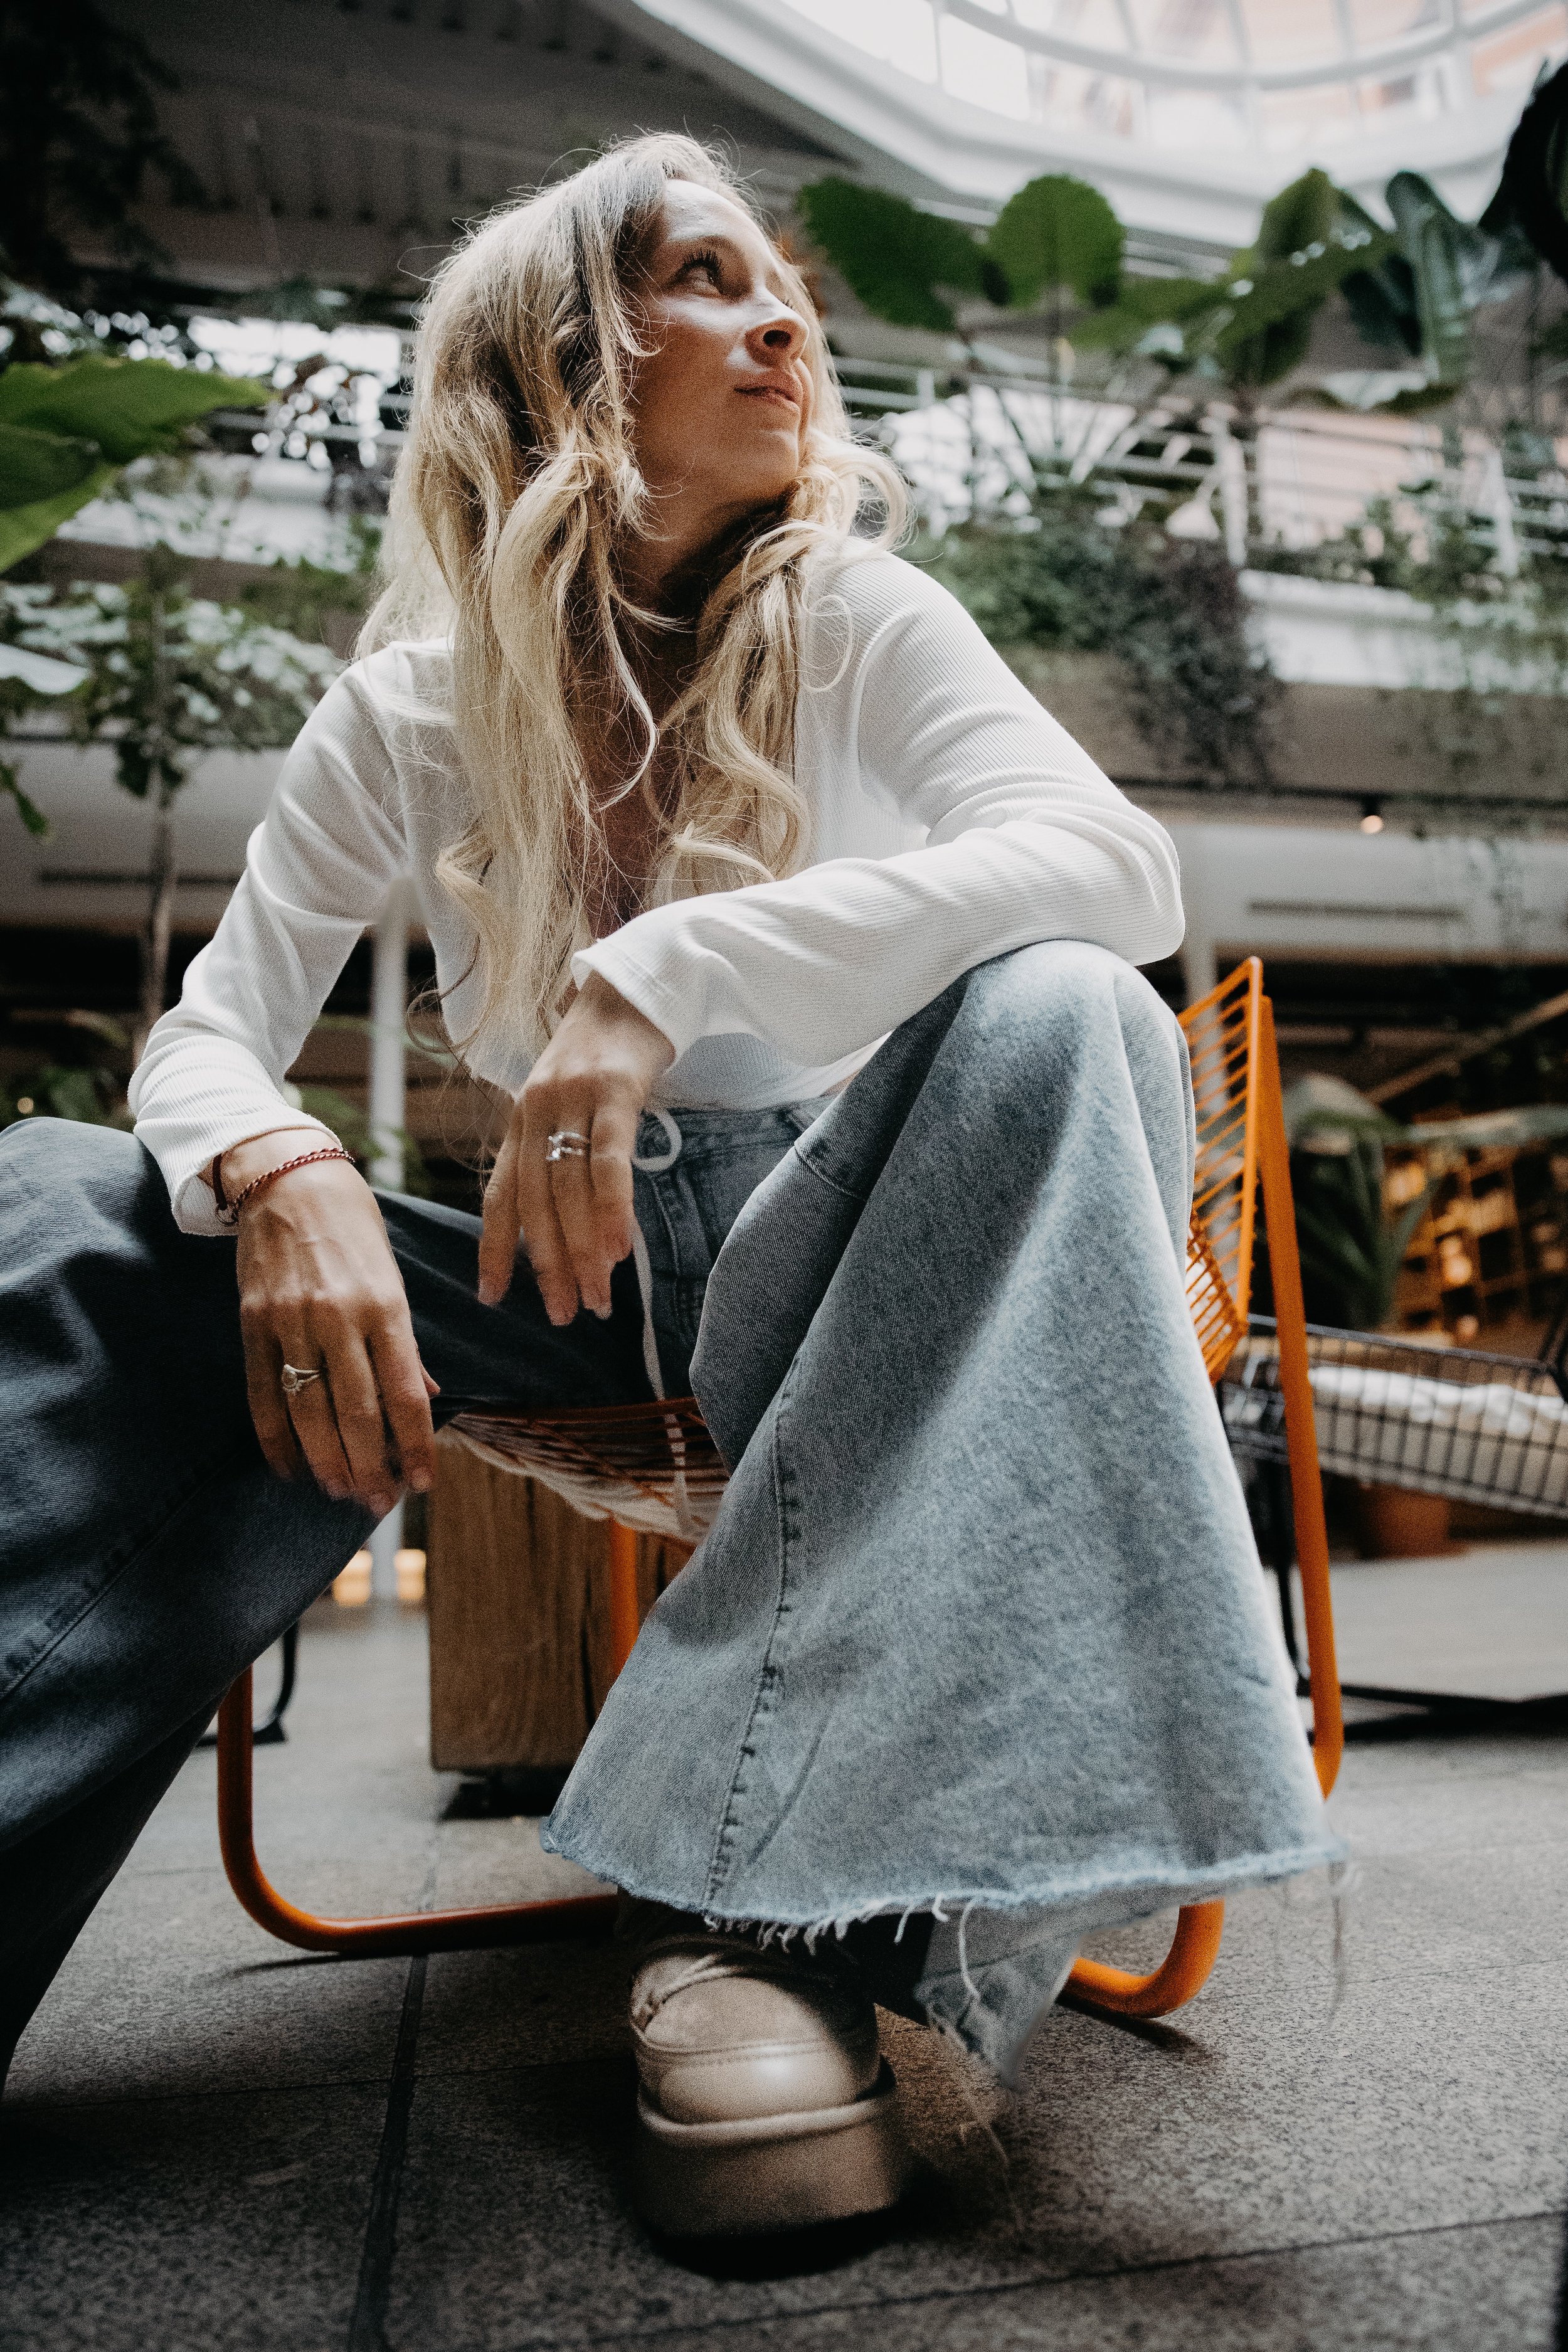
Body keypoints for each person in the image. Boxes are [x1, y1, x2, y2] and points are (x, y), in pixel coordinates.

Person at [0, 135, 1339, 2240]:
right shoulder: (408, 714)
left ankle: (803, 1928)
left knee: (1064, 1003)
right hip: (581, 1289)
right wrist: (270, 1160)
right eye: (706, 281)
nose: (784, 316)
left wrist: (658, 968)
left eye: (779, 280)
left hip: (877, 1258)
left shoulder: (863, 616)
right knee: (65, 1194)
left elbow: (1113, 869)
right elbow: (203, 1030)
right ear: (556, 375)